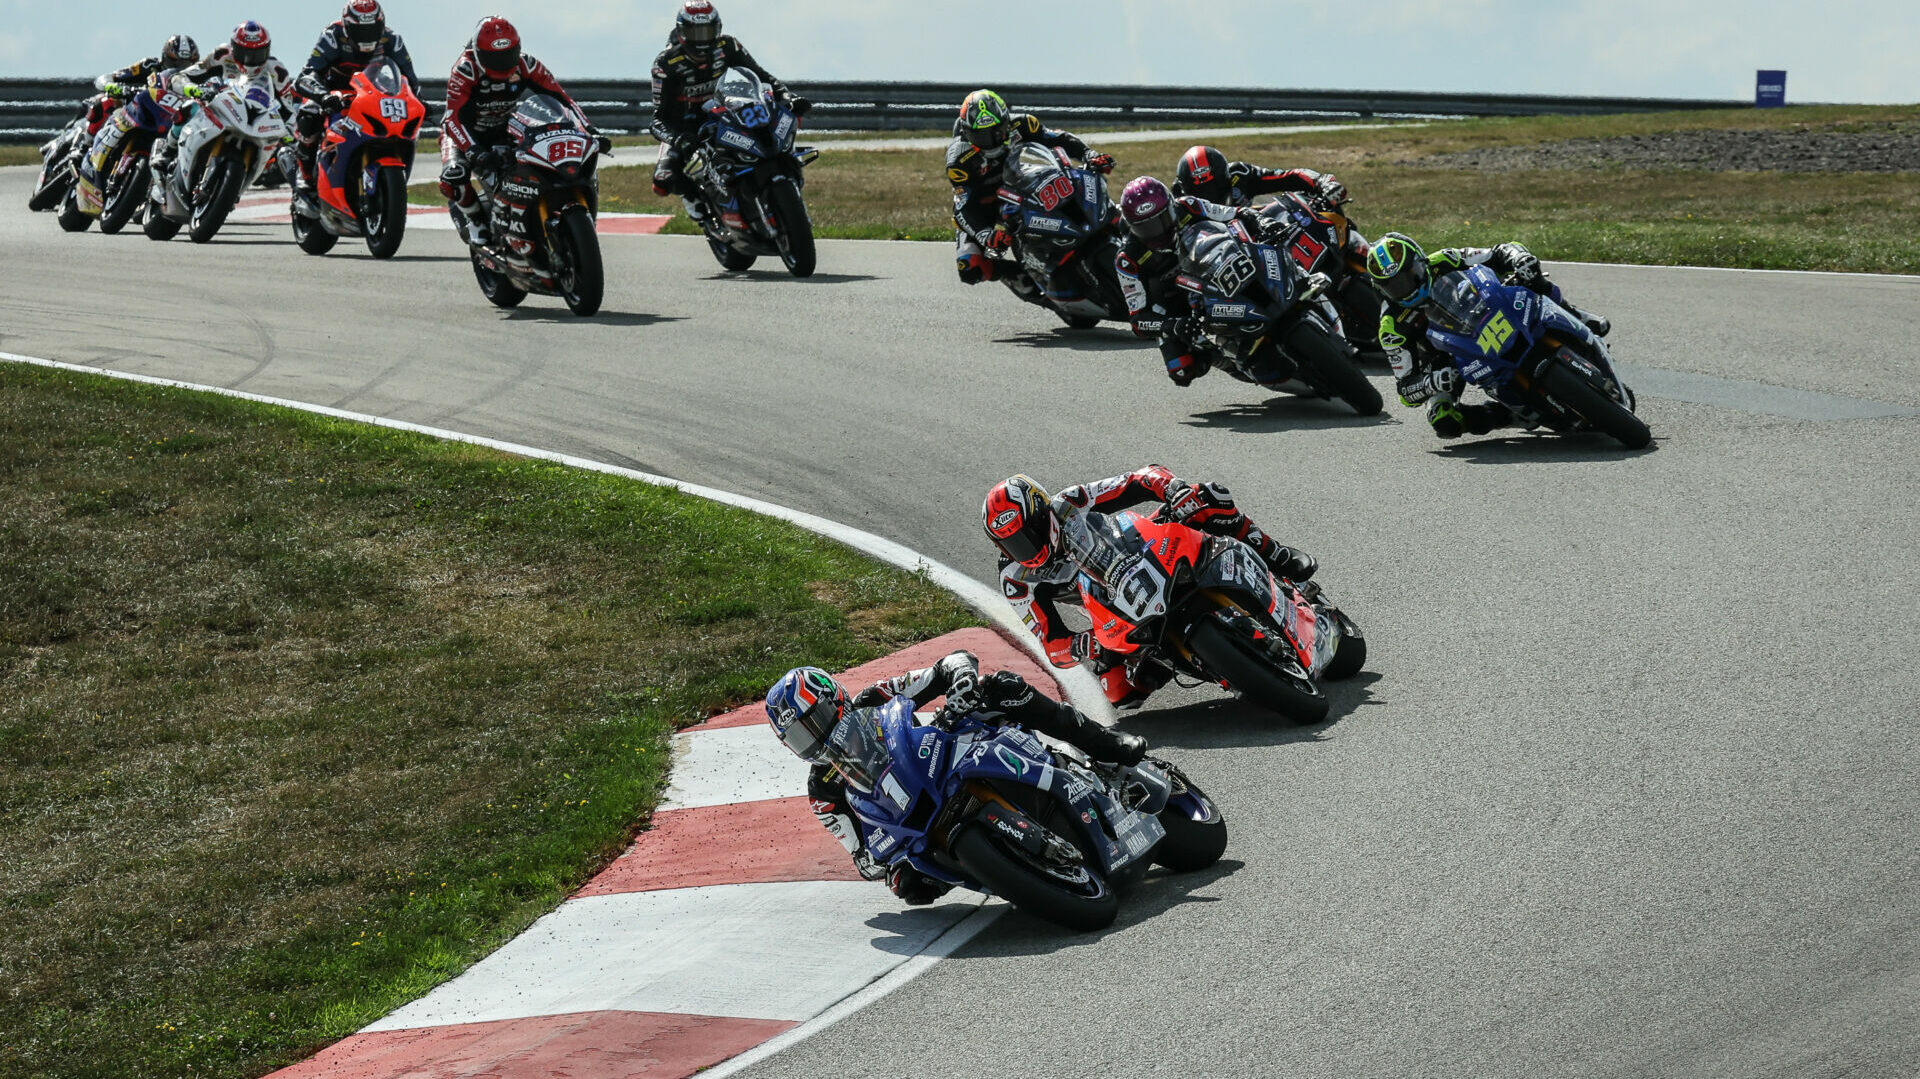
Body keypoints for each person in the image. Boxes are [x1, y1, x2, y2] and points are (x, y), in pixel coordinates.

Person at [765, 652, 1147, 906]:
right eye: (801, 736)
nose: (815, 739)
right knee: (909, 888)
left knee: (1000, 687)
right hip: (912, 820)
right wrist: (874, 860)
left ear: (835, 700)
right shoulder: (822, 790)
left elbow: (947, 666)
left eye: (813, 722)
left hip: (943, 756)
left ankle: (1104, 743)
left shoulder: (875, 698)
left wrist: (962, 680)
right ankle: (1015, 874)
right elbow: (859, 853)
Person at [984, 468, 1318, 709]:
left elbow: (1138, 479)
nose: (1025, 547)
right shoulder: (1016, 579)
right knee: (1119, 692)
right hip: (1110, 610)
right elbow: (1052, 644)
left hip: (1137, 552)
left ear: (1043, 512)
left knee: (1209, 498)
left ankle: (1277, 554)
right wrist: (1084, 643)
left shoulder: (1070, 503)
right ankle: (1202, 662)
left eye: (1029, 532)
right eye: (1012, 543)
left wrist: (1172, 489)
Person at [1365, 232, 1613, 439]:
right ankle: (1510, 417)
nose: (1407, 288)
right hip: (1448, 358)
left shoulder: (1445, 258)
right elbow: (1406, 390)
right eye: (1395, 286)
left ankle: (1577, 317)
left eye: (1411, 276)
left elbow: (1499, 251)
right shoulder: (1391, 327)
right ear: (1381, 289)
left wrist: (1520, 258)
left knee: (1530, 278)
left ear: (1420, 261)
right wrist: (1432, 382)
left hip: (1484, 311)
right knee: (1444, 421)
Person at [438, 15, 593, 266]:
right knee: (453, 176)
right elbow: (452, 119)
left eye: (507, 55)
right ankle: (475, 221)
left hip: (503, 128)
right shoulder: (465, 70)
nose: (501, 64)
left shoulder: (526, 65)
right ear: (478, 53)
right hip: (463, 134)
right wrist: (475, 151)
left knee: (531, 166)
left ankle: (525, 220)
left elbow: (563, 99)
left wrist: (589, 129)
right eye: (493, 58)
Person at [947, 89, 1113, 298]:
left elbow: (1057, 139)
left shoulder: (1023, 124)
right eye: (981, 135)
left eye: (996, 131)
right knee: (970, 268)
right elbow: (963, 208)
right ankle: (1033, 286)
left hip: (1023, 187)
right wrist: (986, 234)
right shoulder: (959, 160)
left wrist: (1089, 154)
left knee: (1077, 191)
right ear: (967, 131)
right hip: (985, 208)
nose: (991, 140)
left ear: (1005, 121)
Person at [649, 0, 808, 215]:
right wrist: (678, 138)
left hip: (720, 108)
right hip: (684, 124)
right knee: (662, 180)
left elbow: (761, 76)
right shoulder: (665, 63)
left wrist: (788, 97)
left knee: (765, 132)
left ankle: (783, 169)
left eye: (707, 32)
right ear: (681, 32)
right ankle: (695, 202)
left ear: (718, 29)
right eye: (696, 33)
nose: (703, 40)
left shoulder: (728, 46)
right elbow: (658, 120)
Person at [1113, 175, 1271, 387]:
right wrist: (1173, 325)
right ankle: (1220, 358)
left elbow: (1233, 214)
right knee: (1182, 370)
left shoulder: (1189, 205)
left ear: (1171, 206)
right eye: (1147, 228)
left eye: (1162, 220)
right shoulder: (1127, 259)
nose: (1158, 231)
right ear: (1132, 227)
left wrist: (1259, 220)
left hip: (1216, 266)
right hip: (1176, 302)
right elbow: (1138, 321)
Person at [291, 0, 419, 196]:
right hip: (334, 90)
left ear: (381, 25)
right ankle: (306, 177)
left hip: (373, 92)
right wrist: (323, 96)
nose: (367, 36)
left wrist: (417, 101)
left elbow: (410, 79)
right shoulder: (333, 36)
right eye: (361, 31)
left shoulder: (392, 39)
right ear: (347, 26)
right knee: (308, 115)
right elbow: (307, 74)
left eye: (372, 29)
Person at [73, 34, 201, 212]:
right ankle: (82, 146)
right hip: (131, 111)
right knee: (105, 102)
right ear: (165, 57)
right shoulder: (149, 66)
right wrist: (115, 87)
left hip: (161, 123)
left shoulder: (193, 82)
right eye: (175, 63)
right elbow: (108, 78)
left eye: (186, 65)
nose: (179, 68)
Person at [1172, 144, 1346, 209]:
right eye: (1200, 192)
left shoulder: (1240, 175)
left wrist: (1322, 182)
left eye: (1213, 188)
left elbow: (1288, 177)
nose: (1209, 197)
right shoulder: (1177, 200)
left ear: (1225, 178)